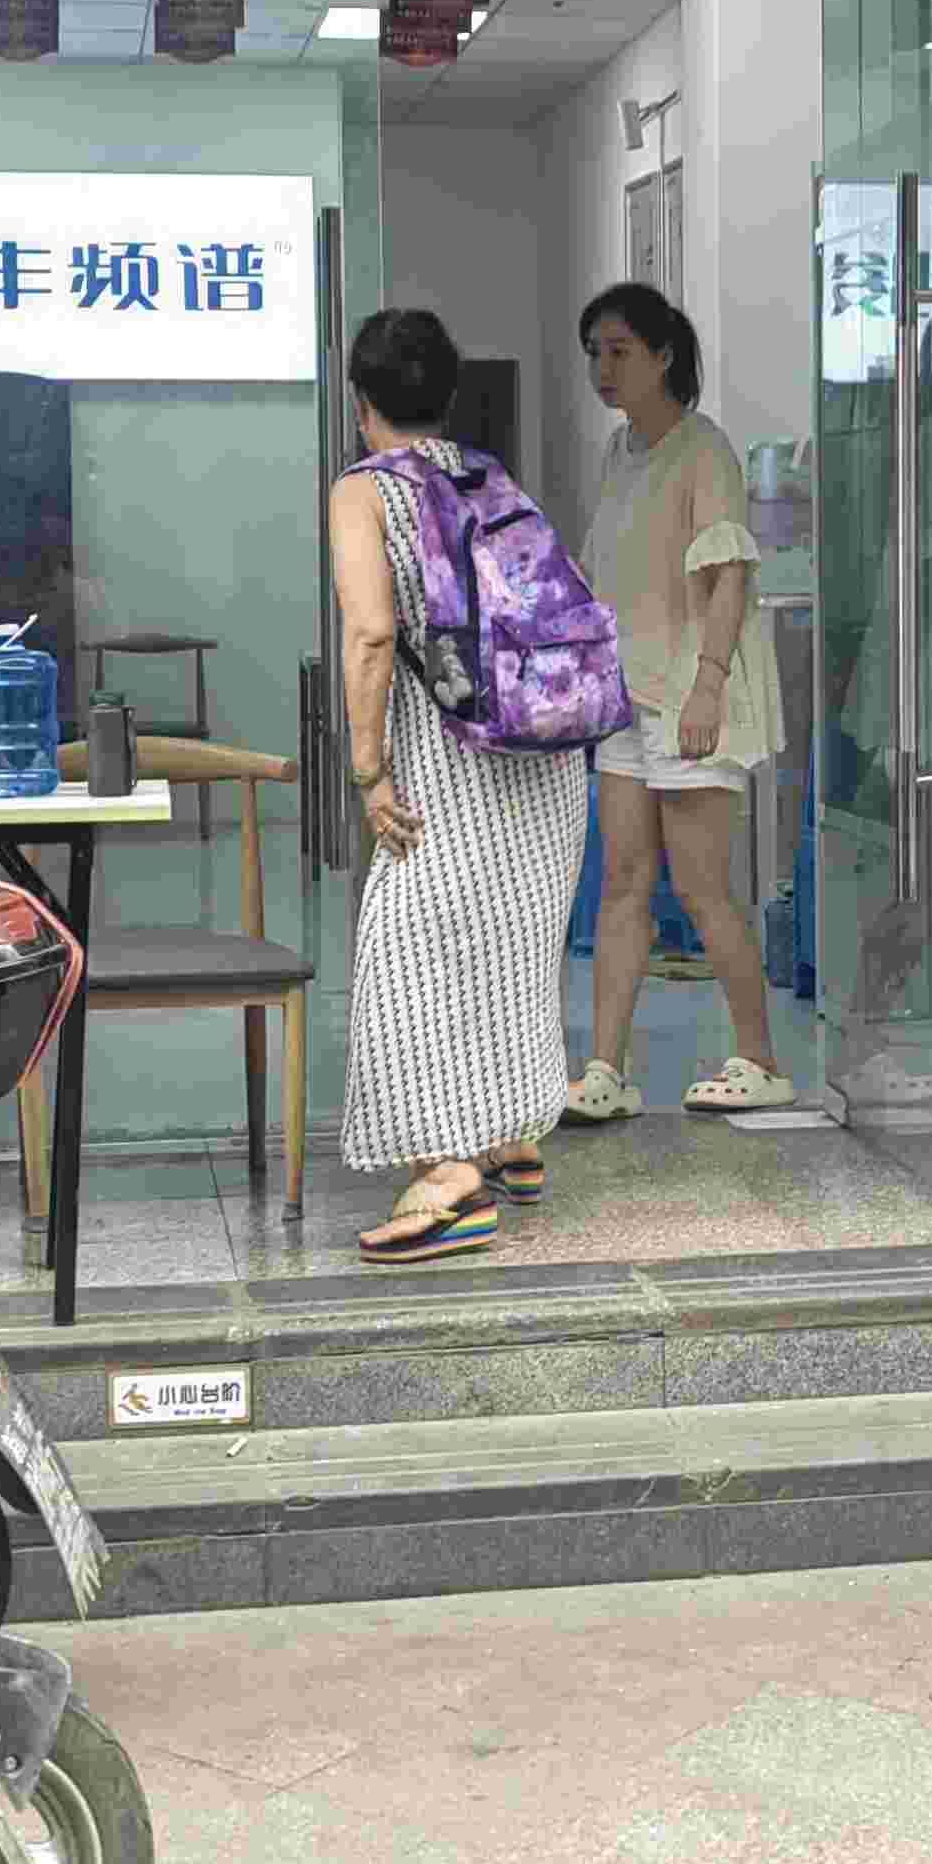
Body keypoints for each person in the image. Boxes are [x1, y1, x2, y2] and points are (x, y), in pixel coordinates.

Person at [330, 306, 586, 1266]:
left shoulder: (365, 489)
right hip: (545, 755)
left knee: (407, 955)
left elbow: (371, 633)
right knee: (509, 946)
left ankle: (449, 1177)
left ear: (363, 404)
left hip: (448, 760)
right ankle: (512, 1138)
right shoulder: (491, 477)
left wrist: (369, 772)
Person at [558, 281, 794, 1120]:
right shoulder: (618, 454)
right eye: (595, 352)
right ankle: (604, 1071)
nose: (603, 367)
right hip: (628, 694)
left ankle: (760, 1061)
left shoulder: (704, 450)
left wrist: (708, 687)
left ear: (663, 356)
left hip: (695, 692)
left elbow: (729, 577)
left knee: (701, 889)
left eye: (619, 351)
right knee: (623, 882)